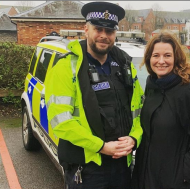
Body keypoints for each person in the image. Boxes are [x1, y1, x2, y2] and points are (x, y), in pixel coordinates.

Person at [44, 2, 144, 189]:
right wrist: (101, 146)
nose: (104, 36)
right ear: (86, 29)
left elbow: (139, 111)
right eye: (98, 29)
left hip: (122, 164)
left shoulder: (125, 66)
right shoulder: (66, 68)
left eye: (109, 31)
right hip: (88, 168)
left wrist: (134, 139)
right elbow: (61, 121)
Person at [131, 31, 190, 189]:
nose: (161, 61)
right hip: (148, 177)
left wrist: (183, 177)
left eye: (167, 55)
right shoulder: (151, 87)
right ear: (149, 59)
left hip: (175, 181)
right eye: (156, 56)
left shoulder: (188, 91)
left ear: (176, 58)